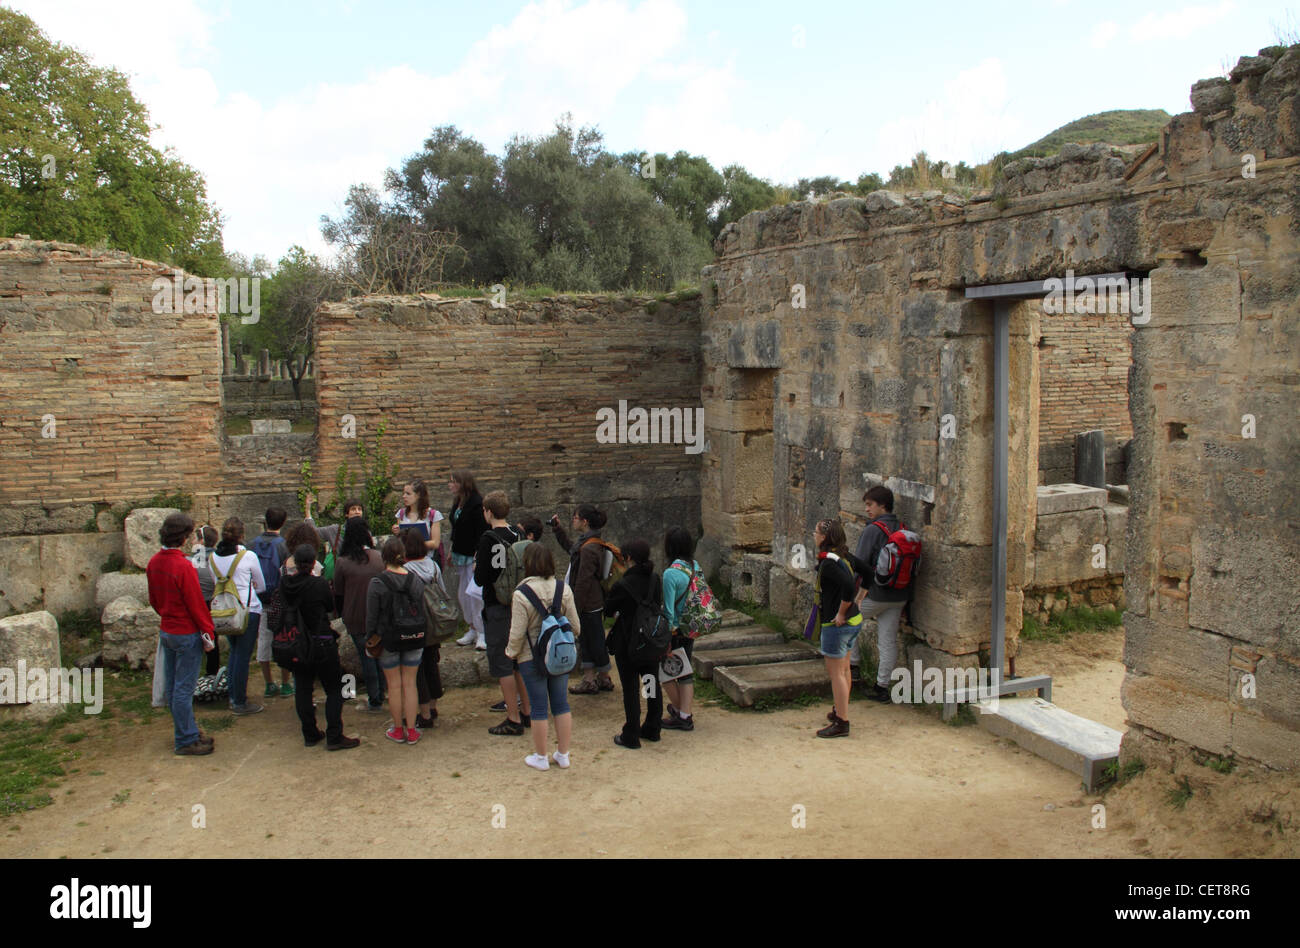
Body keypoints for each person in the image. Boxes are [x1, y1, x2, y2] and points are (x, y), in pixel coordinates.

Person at [278, 544, 360, 751]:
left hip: (298, 641)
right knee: (333, 688)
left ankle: (310, 733)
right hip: (321, 639)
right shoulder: (319, 584)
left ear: (295, 563)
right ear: (314, 563)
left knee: (303, 688)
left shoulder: (285, 584)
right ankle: (334, 735)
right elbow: (329, 607)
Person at [147, 512, 216, 755]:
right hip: (186, 632)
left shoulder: (154, 562)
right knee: (183, 689)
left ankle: (188, 731)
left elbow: (154, 600)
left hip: (167, 629)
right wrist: (208, 633)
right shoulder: (183, 567)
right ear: (184, 537)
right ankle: (186, 739)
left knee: (174, 687)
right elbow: (196, 605)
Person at [508, 543, 581, 771]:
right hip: (559, 654)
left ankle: (541, 757)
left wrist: (510, 652)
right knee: (561, 703)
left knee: (539, 707)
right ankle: (563, 754)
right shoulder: (563, 589)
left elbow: (517, 632)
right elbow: (576, 627)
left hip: (531, 656)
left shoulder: (521, 594)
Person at [474, 490, 531, 736]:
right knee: (519, 660)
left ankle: (513, 717)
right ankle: (527, 711)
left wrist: (478, 565)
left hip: (497, 604)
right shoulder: (517, 534)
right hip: (519, 603)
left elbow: (481, 578)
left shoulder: (488, 539)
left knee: (503, 663)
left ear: (488, 511)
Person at [853, 485, 911, 704]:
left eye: (870, 504)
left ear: (882, 505)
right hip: (899, 595)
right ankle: (882, 687)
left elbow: (860, 564)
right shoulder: (903, 527)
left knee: (846, 619)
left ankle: (853, 666)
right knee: (887, 641)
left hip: (876, 595)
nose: (867, 509)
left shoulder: (873, 530)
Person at [366, 537, 426, 744]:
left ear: (384, 557)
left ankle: (398, 729)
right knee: (410, 683)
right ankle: (412, 729)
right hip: (414, 635)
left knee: (393, 685)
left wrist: (370, 638)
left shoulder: (378, 582)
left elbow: (372, 616)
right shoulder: (415, 579)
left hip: (388, 637)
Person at [604, 538, 663, 748]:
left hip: (628, 642)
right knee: (650, 683)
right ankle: (653, 726)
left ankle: (631, 733)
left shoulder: (623, 584)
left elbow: (609, 610)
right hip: (650, 639)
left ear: (628, 558)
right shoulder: (655, 579)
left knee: (630, 689)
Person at [551, 504, 614, 694]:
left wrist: (574, 608)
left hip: (588, 603)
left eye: (576, 517)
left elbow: (583, 581)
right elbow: (572, 550)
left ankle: (591, 679)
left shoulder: (588, 548)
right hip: (592, 601)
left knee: (589, 640)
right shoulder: (590, 543)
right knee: (593, 639)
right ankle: (602, 678)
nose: (574, 520)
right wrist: (558, 530)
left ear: (584, 522)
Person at [209, 517, 265, 716]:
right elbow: (261, 584)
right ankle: (239, 701)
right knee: (242, 656)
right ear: (242, 535)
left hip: (224, 610)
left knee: (234, 653)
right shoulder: (248, 556)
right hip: (247, 609)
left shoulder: (213, 558)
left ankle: (233, 694)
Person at [813, 518, 864, 738]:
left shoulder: (829, 563)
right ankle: (839, 711)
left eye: (816, 532)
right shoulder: (844, 556)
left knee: (837, 674)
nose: (813, 535)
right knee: (844, 670)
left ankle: (842, 722)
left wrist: (842, 611)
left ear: (824, 537)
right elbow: (868, 573)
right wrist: (858, 601)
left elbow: (847, 585)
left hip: (837, 624)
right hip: (854, 621)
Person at [333, 517, 386, 713]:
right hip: (378, 614)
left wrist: (343, 613)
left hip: (354, 615)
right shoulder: (378, 558)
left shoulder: (343, 563)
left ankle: (375, 699)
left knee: (367, 659)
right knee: (379, 655)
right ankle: (382, 692)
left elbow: (338, 592)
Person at [400, 528, 443, 729]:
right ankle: (433, 706)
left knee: (417, 670)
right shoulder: (433, 566)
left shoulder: (406, 571)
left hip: (415, 623)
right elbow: (442, 591)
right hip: (434, 621)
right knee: (432, 664)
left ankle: (424, 714)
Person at [661, 527, 701, 731]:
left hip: (676, 629)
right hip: (691, 625)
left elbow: (668, 610)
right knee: (685, 672)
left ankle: (683, 714)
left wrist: (666, 636)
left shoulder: (670, 574)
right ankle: (683, 712)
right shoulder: (694, 566)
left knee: (666, 672)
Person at [252, 507, 293, 699]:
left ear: (265, 521)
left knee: (263, 641)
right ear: (283, 522)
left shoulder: (253, 544)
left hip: (260, 599)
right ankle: (285, 683)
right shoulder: (283, 545)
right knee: (284, 639)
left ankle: (269, 683)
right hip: (280, 600)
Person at [447, 470, 489, 648]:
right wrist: (451, 549)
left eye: (453, 481)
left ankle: (482, 632)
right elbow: (456, 528)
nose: (450, 485)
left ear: (462, 483)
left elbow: (481, 532)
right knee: (463, 594)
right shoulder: (458, 502)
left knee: (475, 595)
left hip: (472, 555)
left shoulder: (477, 504)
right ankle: (471, 627)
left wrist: (477, 557)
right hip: (459, 554)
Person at [190, 524, 222, 676]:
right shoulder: (218, 556)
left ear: (201, 541)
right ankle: (212, 671)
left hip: (202, 602)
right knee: (213, 636)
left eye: (195, 538)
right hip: (215, 601)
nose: (192, 542)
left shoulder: (198, 557)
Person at [392, 479, 444, 568]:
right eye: (403, 493)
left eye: (408, 494)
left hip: (426, 561)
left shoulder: (433, 515)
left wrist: (413, 544)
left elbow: (435, 543)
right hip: (406, 562)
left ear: (418, 495)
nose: (404, 496)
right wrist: (397, 532)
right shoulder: (401, 514)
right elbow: (400, 541)